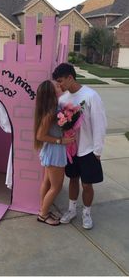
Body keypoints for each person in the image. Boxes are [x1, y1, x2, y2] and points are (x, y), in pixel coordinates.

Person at [52, 63, 107, 229]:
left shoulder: (91, 96)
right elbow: (60, 124)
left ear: (70, 77)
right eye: (57, 83)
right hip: (71, 150)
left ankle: (87, 213)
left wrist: (98, 150)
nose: (59, 85)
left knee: (87, 184)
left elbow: (100, 123)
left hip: (88, 148)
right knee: (73, 180)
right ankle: (71, 210)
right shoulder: (62, 100)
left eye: (61, 81)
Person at [34, 80, 75, 226]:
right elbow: (40, 135)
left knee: (47, 181)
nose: (60, 86)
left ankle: (43, 209)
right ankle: (43, 215)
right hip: (55, 151)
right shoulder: (51, 112)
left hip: (52, 150)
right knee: (56, 186)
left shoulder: (55, 107)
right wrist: (61, 141)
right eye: (57, 86)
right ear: (52, 93)